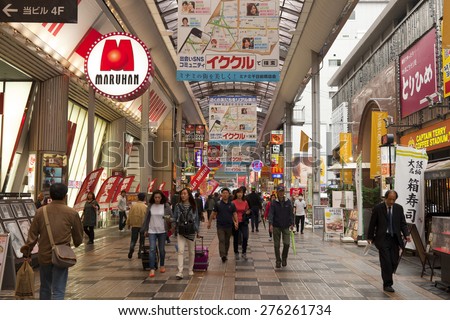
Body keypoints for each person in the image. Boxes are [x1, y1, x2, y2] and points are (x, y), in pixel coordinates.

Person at [20, 183, 83, 300]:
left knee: (44, 287)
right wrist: (76, 242)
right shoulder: (72, 213)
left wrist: (27, 252)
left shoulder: (40, 212)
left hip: (44, 255)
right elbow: (78, 237)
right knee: (58, 290)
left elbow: (32, 235)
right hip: (62, 256)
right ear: (65, 196)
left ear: (51, 196)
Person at [367, 190, 411, 293]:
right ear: (385, 198)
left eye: (394, 200)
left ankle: (388, 274)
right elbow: (372, 223)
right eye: (390, 199)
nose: (392, 202)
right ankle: (387, 284)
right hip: (383, 238)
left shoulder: (398, 208)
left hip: (395, 238)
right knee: (386, 261)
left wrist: (407, 234)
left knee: (394, 261)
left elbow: (402, 223)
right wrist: (369, 237)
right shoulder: (378, 208)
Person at [141, 190, 172, 277]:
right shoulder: (150, 206)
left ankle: (162, 265)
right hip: (152, 231)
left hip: (162, 231)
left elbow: (170, 217)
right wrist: (145, 229)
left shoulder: (165, 206)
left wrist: (168, 222)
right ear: (153, 198)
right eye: (155, 197)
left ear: (161, 198)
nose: (157, 199)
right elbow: (146, 218)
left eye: (159, 197)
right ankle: (152, 268)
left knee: (161, 250)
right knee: (152, 249)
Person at [173, 188, 199, 279]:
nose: (183, 195)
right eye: (182, 194)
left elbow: (196, 219)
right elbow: (174, 217)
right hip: (181, 231)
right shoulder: (177, 206)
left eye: (185, 193)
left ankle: (190, 269)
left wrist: (197, 230)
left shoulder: (193, 206)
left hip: (191, 231)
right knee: (180, 250)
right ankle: (180, 271)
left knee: (191, 251)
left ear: (189, 195)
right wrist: (171, 222)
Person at [207, 188, 238, 262]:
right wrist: (209, 222)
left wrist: (236, 222)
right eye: (223, 193)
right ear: (221, 194)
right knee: (221, 240)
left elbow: (234, 214)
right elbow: (213, 213)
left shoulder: (232, 204)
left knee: (227, 241)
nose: (225, 194)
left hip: (229, 225)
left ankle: (225, 253)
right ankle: (223, 255)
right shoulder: (218, 204)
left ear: (229, 194)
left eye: (226, 193)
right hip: (220, 226)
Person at [268, 186, 294, 268]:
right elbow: (271, 214)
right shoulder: (273, 203)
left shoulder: (288, 202)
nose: (281, 193)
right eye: (280, 191)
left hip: (286, 226)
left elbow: (291, 214)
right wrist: (271, 224)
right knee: (276, 245)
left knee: (287, 243)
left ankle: (284, 258)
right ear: (277, 192)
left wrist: (292, 223)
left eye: (282, 191)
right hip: (276, 226)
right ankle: (278, 260)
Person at [126, 192, 147, 259]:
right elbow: (147, 217)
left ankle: (131, 248)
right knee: (142, 240)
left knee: (133, 239)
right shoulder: (145, 207)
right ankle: (140, 253)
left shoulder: (133, 206)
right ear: (144, 198)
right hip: (142, 226)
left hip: (134, 225)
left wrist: (128, 224)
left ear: (138, 197)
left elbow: (129, 215)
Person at [232, 187, 251, 260]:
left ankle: (244, 252)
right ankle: (236, 252)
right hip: (236, 222)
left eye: (241, 193)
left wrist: (248, 212)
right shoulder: (233, 202)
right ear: (236, 194)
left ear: (243, 194)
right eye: (238, 193)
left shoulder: (245, 202)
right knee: (236, 238)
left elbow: (247, 209)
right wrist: (234, 222)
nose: (240, 194)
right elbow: (231, 213)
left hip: (243, 222)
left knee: (245, 236)